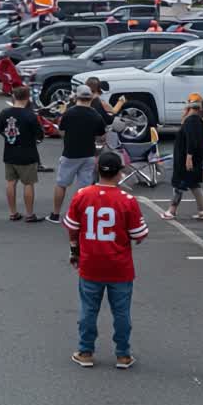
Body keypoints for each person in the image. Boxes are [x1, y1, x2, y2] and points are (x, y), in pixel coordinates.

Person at [65, 151, 149, 369]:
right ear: (120, 173)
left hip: (91, 263)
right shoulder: (127, 200)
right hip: (119, 266)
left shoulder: (83, 195)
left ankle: (85, 351)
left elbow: (72, 229)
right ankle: (122, 354)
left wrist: (75, 251)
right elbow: (139, 234)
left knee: (88, 309)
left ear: (97, 169)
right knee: (121, 311)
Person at [46, 86, 105, 224]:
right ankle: (81, 216)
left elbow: (61, 132)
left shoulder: (69, 113)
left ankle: (55, 214)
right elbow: (101, 136)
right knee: (84, 188)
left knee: (61, 184)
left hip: (70, 154)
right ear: (90, 98)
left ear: (76, 97)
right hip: (89, 154)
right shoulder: (96, 115)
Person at [0, 86, 43, 222]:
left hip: (10, 152)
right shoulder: (30, 115)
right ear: (27, 97)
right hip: (27, 153)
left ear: (14, 96)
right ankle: (29, 214)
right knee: (28, 184)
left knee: (10, 182)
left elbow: (0, 130)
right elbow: (39, 134)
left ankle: (13, 212)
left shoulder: (4, 113)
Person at [165, 96, 203, 220]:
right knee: (194, 183)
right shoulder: (198, 120)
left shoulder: (191, 121)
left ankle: (171, 211)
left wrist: (188, 158)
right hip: (192, 158)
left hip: (185, 159)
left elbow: (192, 141)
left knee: (179, 184)